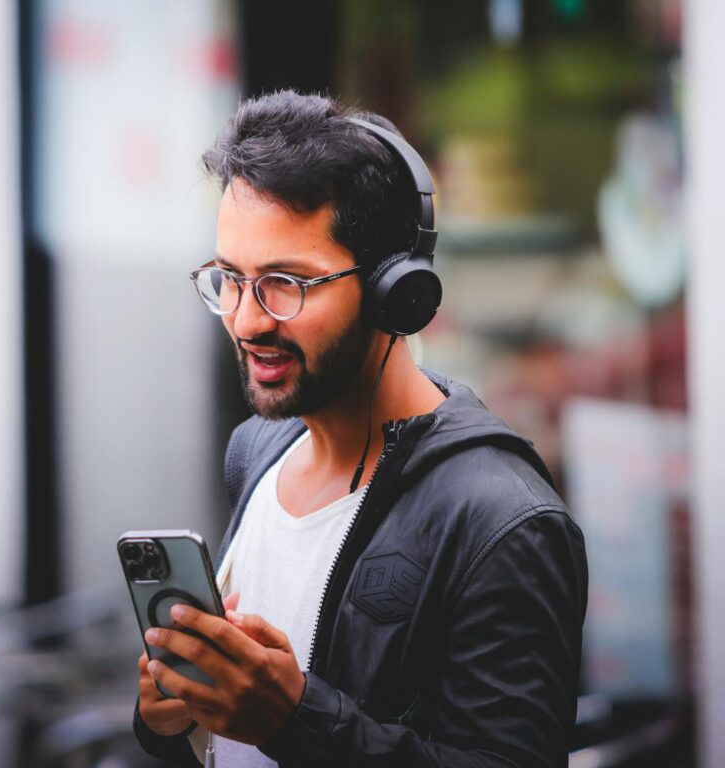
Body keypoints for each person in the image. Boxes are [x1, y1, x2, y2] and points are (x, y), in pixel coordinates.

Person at [133, 90, 588, 768]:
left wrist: (294, 720)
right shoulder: (257, 451)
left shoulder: (503, 523)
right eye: (230, 277)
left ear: (395, 291)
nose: (247, 320)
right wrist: (170, 723)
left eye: (286, 281)